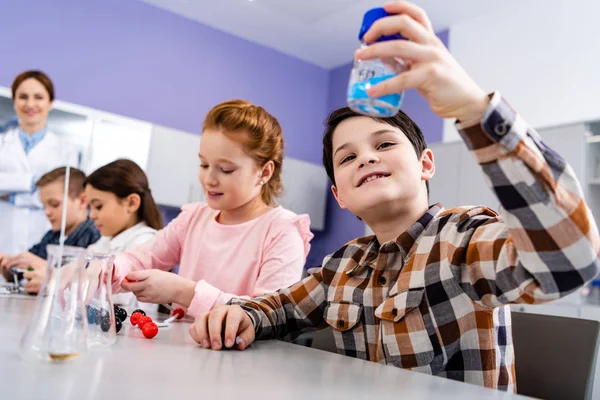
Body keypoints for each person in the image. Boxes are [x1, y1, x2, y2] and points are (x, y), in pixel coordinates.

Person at [188, 2, 600, 392]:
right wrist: (241, 313)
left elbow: (568, 262)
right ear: (340, 195)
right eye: (347, 157)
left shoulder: (462, 238)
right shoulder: (342, 267)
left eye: (384, 145)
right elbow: (279, 307)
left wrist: (474, 109)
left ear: (425, 164)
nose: (366, 157)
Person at [113, 100, 313, 316]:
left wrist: (183, 292)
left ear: (264, 173)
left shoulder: (282, 231)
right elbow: (138, 260)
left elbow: (269, 314)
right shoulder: (194, 218)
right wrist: (102, 270)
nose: (209, 179)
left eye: (225, 170)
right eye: (204, 164)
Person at [0, 70, 78, 255]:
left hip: (41, 234)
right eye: (23, 97)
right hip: (3, 233)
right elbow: (49, 195)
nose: (30, 104)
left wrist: (10, 194)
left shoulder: (65, 149)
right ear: (14, 102)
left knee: (33, 277)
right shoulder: (2, 143)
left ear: (50, 103)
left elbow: (63, 197)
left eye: (38, 97)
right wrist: (33, 182)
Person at [0, 167, 100, 292]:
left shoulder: (93, 234)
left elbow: (87, 282)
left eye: (54, 204)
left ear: (82, 201)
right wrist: (9, 265)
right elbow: (22, 271)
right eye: (44, 205)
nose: (47, 212)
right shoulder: (52, 236)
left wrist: (43, 267)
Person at [84, 159, 163, 306]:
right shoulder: (105, 241)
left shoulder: (146, 242)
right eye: (90, 207)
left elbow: (121, 297)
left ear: (132, 203)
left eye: (98, 206)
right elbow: (82, 268)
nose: (91, 215)